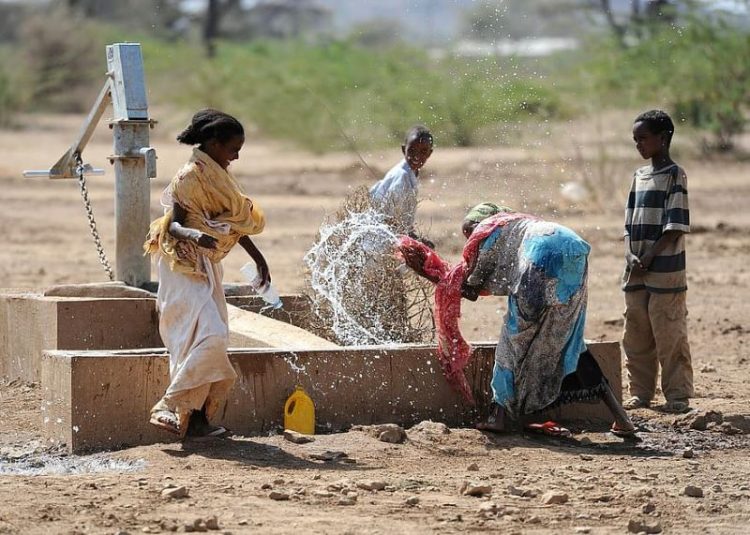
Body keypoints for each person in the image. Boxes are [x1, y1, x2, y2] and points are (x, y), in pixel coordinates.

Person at [399, 203, 635, 437]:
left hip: (538, 261)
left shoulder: (487, 231)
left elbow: (470, 288)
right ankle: (621, 419)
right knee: (571, 339)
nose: (469, 240)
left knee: (512, 341)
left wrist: (430, 271)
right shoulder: (519, 224)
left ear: (479, 223)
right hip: (572, 250)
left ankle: (498, 415)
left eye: (469, 232)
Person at [144, 109, 269, 437]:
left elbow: (233, 224)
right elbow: (176, 223)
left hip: (209, 262)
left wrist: (259, 259)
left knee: (213, 336)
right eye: (233, 149)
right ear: (213, 144)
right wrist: (195, 236)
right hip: (183, 262)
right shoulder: (190, 175)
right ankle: (168, 405)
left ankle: (196, 419)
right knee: (205, 335)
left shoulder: (220, 176)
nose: (236, 156)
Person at [622, 110, 693, 413]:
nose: (638, 145)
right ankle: (640, 393)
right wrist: (631, 254)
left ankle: (677, 396)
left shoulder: (675, 175)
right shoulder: (639, 176)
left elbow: (674, 226)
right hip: (636, 269)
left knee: (669, 332)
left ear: (663, 139)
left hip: (664, 269)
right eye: (635, 140)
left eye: (643, 139)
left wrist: (650, 256)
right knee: (636, 332)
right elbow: (628, 224)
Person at [370, 125, 434, 246]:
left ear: (429, 153)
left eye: (423, 151)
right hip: (380, 239)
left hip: (392, 235)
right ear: (404, 149)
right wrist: (415, 240)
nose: (417, 156)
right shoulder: (402, 177)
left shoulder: (411, 173)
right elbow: (392, 221)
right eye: (412, 150)